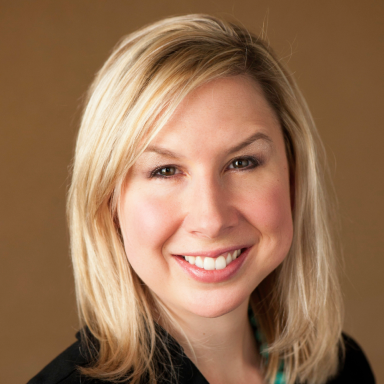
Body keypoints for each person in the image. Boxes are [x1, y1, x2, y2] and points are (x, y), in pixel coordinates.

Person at [28, 14, 375, 384]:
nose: (211, 220)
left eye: (242, 163)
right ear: (109, 202)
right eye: (165, 171)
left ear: (294, 174)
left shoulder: (342, 369)